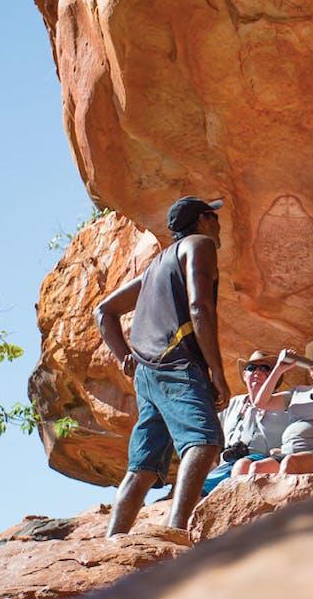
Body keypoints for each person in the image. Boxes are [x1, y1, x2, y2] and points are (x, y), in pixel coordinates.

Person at [93, 196, 231, 535]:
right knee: (204, 441)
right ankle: (176, 531)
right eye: (214, 217)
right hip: (177, 365)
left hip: (146, 373)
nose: (218, 224)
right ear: (202, 221)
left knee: (142, 467)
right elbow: (200, 308)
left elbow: (104, 311)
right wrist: (216, 370)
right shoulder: (199, 245)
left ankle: (114, 538)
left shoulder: (156, 265)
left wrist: (124, 354)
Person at [235, 341, 313, 477]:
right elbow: (260, 403)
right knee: (257, 468)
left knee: (289, 464)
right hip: (289, 451)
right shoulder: (298, 391)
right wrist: (279, 368)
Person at [200, 351, 289, 496]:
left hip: (262, 463)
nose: (257, 372)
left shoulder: (284, 404)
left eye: (265, 368)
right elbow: (210, 437)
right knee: (195, 487)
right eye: (251, 368)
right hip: (227, 465)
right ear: (244, 375)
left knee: (242, 467)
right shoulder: (232, 404)